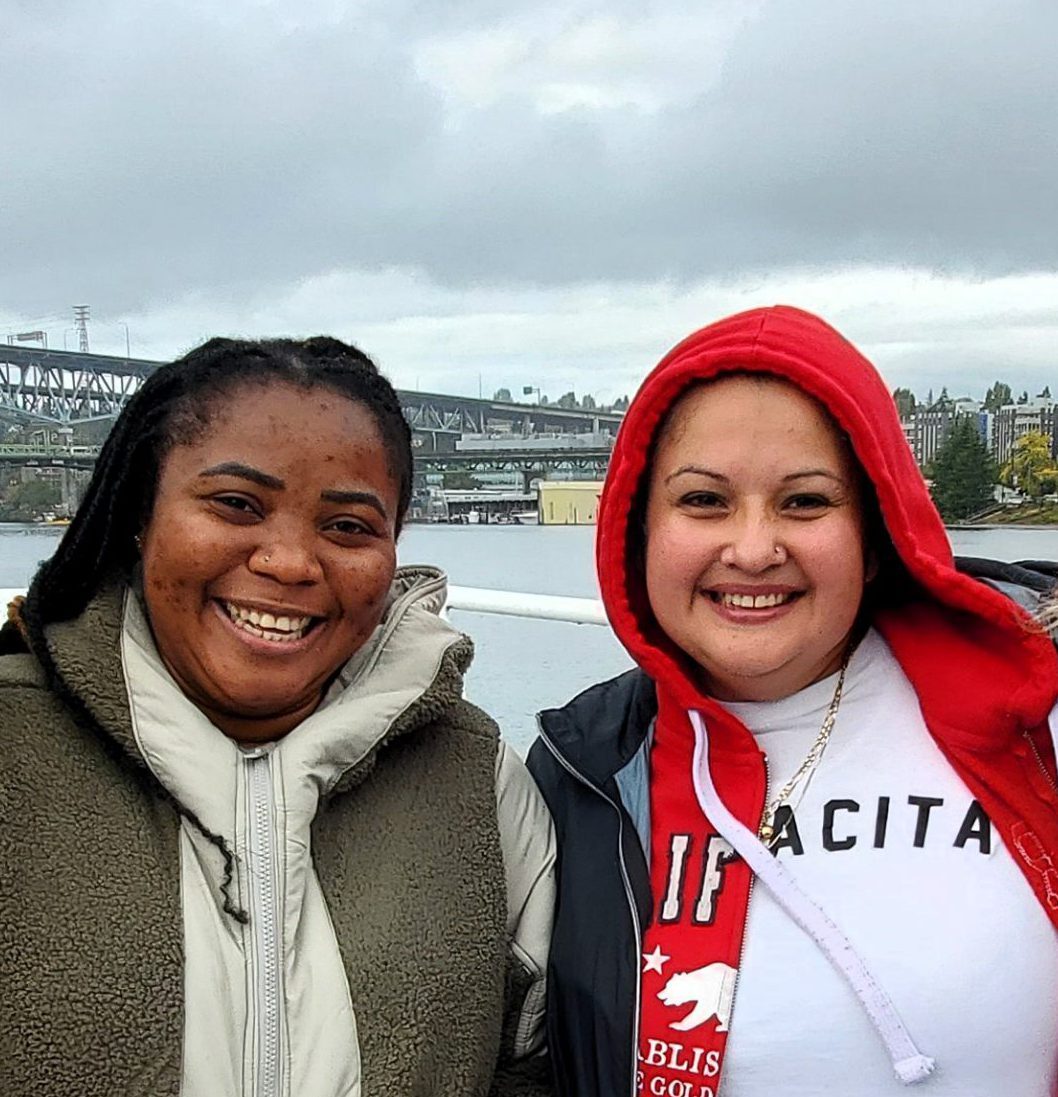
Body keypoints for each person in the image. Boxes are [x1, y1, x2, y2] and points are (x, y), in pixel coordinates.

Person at [0, 337, 555, 1097]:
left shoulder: (476, 778)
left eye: (350, 526)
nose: (291, 561)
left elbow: (535, 1061)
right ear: (139, 511)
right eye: (236, 504)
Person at [527, 306, 1058, 1097]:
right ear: (639, 530)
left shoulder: (1029, 712)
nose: (751, 548)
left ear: (876, 534)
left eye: (805, 502)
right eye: (704, 501)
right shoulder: (580, 771)